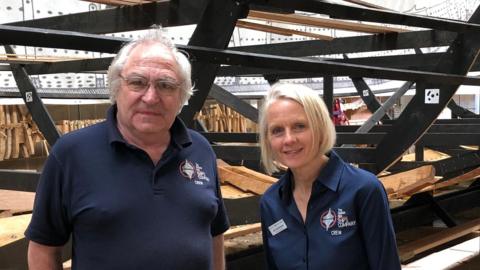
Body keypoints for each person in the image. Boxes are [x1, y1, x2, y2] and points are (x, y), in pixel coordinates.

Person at [25, 28, 229, 270]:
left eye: (166, 85)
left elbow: (214, 235)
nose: (151, 97)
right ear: (116, 86)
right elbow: (43, 249)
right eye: (137, 82)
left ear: (182, 95)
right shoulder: (71, 154)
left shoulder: (201, 150)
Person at [258, 83, 400, 270]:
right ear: (267, 139)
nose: (288, 139)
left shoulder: (363, 190)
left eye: (299, 126)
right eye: (277, 130)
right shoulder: (271, 203)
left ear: (320, 127)